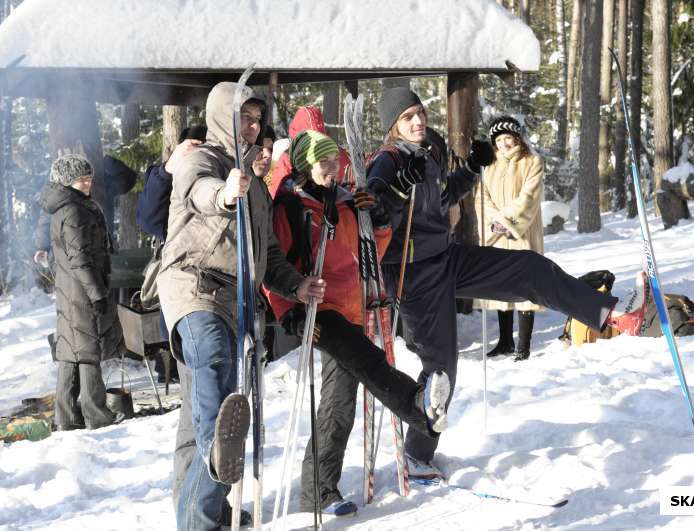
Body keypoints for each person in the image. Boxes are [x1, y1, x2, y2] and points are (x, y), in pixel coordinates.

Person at [366, 87, 653, 479]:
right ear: (393, 126)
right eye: (407, 117)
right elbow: (375, 215)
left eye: (419, 112)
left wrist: (469, 170)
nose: (418, 121)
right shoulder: (387, 161)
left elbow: (442, 196)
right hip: (411, 274)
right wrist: (398, 188)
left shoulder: (427, 153)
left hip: (447, 258)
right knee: (441, 373)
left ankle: (611, 314)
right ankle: (417, 456)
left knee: (529, 269)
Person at [156, 81, 321, 531]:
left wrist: (297, 285)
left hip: (237, 299)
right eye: (243, 118)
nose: (251, 127)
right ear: (221, 118)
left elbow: (267, 256)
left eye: (255, 120)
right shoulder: (200, 159)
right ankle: (215, 468)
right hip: (194, 286)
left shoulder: (259, 189)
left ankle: (200, 517)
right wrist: (226, 194)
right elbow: (199, 190)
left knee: (203, 417)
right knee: (213, 363)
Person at [266, 130, 450, 517]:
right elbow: (274, 264)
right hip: (315, 310)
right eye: (322, 161)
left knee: (339, 403)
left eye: (335, 160)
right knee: (368, 364)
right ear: (303, 165)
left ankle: (319, 491)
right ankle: (417, 405)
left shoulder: (347, 202)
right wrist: (290, 313)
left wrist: (377, 218)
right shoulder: (290, 208)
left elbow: (371, 251)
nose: (331, 168)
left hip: (352, 308)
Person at [39, 154, 126, 431]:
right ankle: (96, 414)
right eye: (81, 179)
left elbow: (62, 257)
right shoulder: (74, 211)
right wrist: (97, 293)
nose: (88, 183)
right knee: (88, 351)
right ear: (67, 182)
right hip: (82, 291)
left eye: (89, 178)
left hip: (70, 289)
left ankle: (65, 417)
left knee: (70, 351)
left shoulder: (67, 208)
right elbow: (80, 259)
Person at [475, 115, 544, 362]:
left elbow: (529, 197)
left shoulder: (532, 162)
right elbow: (481, 198)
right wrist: (495, 222)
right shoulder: (490, 165)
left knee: (526, 287)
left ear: (517, 138)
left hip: (521, 232)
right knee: (502, 286)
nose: (505, 143)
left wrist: (507, 222)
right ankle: (505, 341)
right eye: (500, 139)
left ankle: (523, 346)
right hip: (498, 234)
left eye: (509, 138)